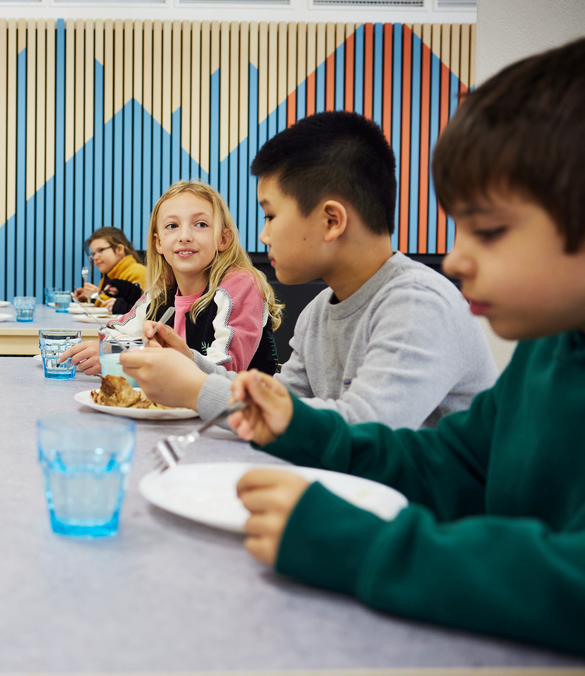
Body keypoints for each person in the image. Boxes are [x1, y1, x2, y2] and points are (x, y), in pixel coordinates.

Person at [203, 38, 585, 656]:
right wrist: (298, 426)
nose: (457, 259)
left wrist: (365, 547)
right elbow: (451, 464)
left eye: (488, 231)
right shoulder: (549, 351)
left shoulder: (419, 300)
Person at [124, 112, 497, 427]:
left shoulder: (417, 304)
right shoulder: (319, 311)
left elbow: (364, 430)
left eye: (271, 215)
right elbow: (282, 399)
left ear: (332, 220)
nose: (263, 234)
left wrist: (196, 391)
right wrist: (191, 364)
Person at [61, 181, 282, 377]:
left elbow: (226, 370)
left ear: (223, 239)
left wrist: (128, 359)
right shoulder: (162, 291)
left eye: (201, 224)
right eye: (172, 226)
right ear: (158, 244)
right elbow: (118, 333)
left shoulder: (240, 286)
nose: (184, 236)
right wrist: (104, 351)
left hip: (240, 416)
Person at [73, 226, 146, 313]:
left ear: (119, 249)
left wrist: (98, 296)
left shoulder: (138, 272)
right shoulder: (108, 276)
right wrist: (89, 297)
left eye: (101, 250)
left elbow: (138, 309)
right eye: (93, 254)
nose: (96, 257)